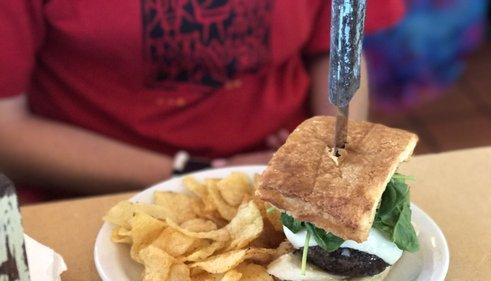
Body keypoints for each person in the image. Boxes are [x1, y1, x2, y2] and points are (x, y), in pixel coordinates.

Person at [0, 0, 404, 202]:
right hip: (96, 193)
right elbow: (6, 132)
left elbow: (337, 49)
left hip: (287, 182)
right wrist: (200, 175)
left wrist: (327, 157)